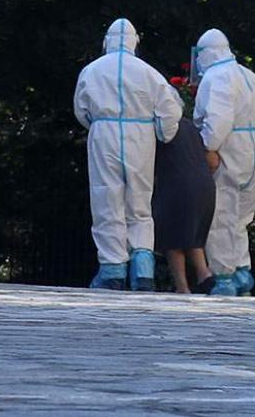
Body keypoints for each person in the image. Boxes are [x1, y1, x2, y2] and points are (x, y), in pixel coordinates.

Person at [73, 19, 183, 291]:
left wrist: (99, 124)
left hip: (105, 134)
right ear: (135, 42)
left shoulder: (92, 70)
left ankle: (112, 268)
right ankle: (143, 269)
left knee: (106, 198)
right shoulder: (149, 73)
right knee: (140, 202)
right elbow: (170, 110)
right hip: (140, 137)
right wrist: (162, 132)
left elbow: (81, 109)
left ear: (106, 41)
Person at [192, 29, 255, 296]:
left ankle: (224, 277)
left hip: (228, 150)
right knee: (240, 220)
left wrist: (208, 147)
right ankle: (242, 272)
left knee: (221, 216)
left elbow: (218, 120)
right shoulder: (250, 77)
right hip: (252, 153)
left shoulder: (216, 77)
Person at [151, 116, 216, 294]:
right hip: (205, 185)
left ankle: (182, 286)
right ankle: (204, 274)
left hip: (178, 183)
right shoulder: (189, 126)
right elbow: (210, 160)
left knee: (171, 236)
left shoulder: (161, 127)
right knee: (191, 233)